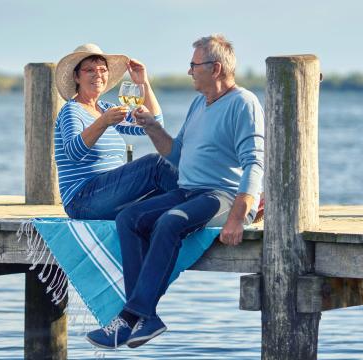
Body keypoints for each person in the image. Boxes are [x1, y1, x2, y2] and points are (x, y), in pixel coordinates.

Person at [85, 34, 265, 349]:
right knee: (129, 218)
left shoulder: (244, 103)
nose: (189, 71)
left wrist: (238, 216)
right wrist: (152, 126)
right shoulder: (199, 103)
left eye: (194, 65)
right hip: (188, 191)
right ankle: (145, 317)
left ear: (216, 68)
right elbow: (177, 154)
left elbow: (255, 164)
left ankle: (131, 317)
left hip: (221, 196)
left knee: (170, 221)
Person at [54, 44, 178, 220]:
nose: (98, 75)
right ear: (76, 76)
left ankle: (202, 207)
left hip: (110, 196)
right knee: (155, 164)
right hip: (82, 201)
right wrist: (103, 122)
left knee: (163, 192)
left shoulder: (106, 108)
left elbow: (155, 125)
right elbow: (73, 153)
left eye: (102, 70)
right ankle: (204, 203)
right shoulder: (71, 111)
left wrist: (143, 83)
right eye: (89, 70)